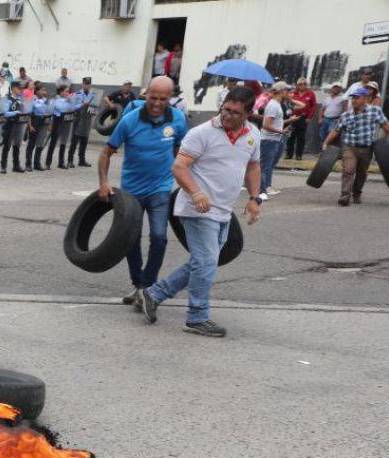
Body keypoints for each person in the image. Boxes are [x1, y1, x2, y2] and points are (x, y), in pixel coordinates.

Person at [136, 86, 262, 338]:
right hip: (196, 209)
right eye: (226, 109)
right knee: (206, 264)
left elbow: (253, 166)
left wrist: (254, 198)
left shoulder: (253, 135)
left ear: (248, 113)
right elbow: (180, 167)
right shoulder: (202, 133)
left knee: (202, 262)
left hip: (223, 211)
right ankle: (197, 316)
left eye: (235, 113)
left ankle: (154, 293)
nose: (228, 115)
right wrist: (196, 192)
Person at [99, 76, 187, 304]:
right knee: (132, 239)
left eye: (163, 98)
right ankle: (138, 284)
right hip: (131, 192)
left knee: (159, 237)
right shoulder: (129, 120)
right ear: (146, 94)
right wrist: (104, 183)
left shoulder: (178, 119)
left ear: (170, 98)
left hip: (160, 188)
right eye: (153, 97)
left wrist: (187, 177)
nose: (157, 103)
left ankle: (148, 286)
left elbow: (182, 150)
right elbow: (106, 152)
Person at [323, 86, 389, 206]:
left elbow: (385, 125)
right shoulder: (346, 115)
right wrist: (326, 142)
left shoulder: (375, 111)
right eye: (352, 98)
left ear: (365, 99)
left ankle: (357, 193)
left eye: (357, 98)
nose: (354, 100)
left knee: (362, 173)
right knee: (348, 170)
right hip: (349, 147)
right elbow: (336, 131)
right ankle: (345, 196)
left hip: (367, 148)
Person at [258, 81, 293, 199]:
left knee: (269, 164)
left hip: (273, 139)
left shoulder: (276, 104)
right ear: (282, 91)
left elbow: (276, 122)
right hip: (269, 139)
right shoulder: (273, 105)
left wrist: (289, 121)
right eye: (287, 91)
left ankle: (266, 186)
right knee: (265, 165)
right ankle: (263, 189)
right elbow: (266, 125)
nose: (289, 93)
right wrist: (281, 131)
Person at [47, 84, 77, 169]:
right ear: (60, 92)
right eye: (65, 92)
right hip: (57, 121)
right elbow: (57, 110)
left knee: (63, 142)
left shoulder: (69, 100)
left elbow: (73, 108)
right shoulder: (56, 100)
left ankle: (61, 162)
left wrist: (71, 101)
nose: (67, 93)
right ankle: (48, 162)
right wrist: (50, 124)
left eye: (68, 92)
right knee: (53, 142)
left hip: (67, 122)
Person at [0, 81, 26, 173]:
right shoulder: (9, 99)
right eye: (19, 89)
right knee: (7, 146)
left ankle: (16, 165)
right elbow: (5, 113)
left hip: (19, 124)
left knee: (17, 145)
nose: (21, 91)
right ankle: (3, 166)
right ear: (14, 89)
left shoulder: (20, 99)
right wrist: (15, 113)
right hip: (10, 124)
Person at [285, 78, 316, 160]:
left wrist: (309, 117)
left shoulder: (310, 94)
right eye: (300, 84)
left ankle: (299, 155)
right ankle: (289, 154)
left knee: (301, 137)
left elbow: (313, 106)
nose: (303, 85)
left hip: (303, 118)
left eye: (304, 84)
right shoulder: (292, 93)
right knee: (291, 136)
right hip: (292, 118)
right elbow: (288, 104)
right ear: (297, 85)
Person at [69, 77, 96, 167]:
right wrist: (82, 104)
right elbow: (73, 107)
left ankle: (82, 160)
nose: (86, 85)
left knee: (84, 141)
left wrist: (91, 109)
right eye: (85, 83)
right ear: (82, 84)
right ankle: (70, 160)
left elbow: (94, 109)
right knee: (74, 141)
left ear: (90, 85)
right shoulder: (77, 94)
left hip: (87, 119)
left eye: (88, 84)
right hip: (79, 118)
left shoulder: (93, 95)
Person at [26, 85, 52, 171]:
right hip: (35, 121)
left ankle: (37, 163)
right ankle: (28, 164)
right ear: (36, 91)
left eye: (45, 90)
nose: (44, 92)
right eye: (42, 90)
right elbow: (29, 114)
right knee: (31, 144)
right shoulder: (32, 99)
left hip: (43, 122)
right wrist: (30, 126)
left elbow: (49, 111)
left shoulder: (45, 100)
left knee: (40, 143)